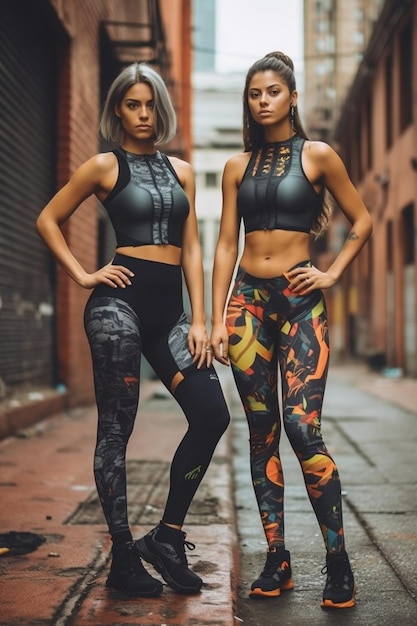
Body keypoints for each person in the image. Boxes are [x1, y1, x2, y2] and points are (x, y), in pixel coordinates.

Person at [36, 62, 230, 598]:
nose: (143, 115)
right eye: (132, 105)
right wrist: (83, 273)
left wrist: (198, 318)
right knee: (116, 431)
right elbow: (48, 218)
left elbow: (191, 247)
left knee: (212, 414)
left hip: (170, 314)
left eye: (150, 105)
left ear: (160, 108)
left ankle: (166, 537)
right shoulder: (103, 166)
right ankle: (124, 557)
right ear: (117, 109)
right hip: (116, 308)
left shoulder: (183, 171)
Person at [211, 51, 372, 609]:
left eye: (273, 91)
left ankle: (337, 559)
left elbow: (364, 220)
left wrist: (331, 272)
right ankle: (276, 557)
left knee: (304, 431)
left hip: (303, 304)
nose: (263, 100)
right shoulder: (237, 167)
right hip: (248, 308)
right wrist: (215, 317)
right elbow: (226, 245)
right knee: (262, 434)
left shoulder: (319, 155)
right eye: (255, 93)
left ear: (292, 97)